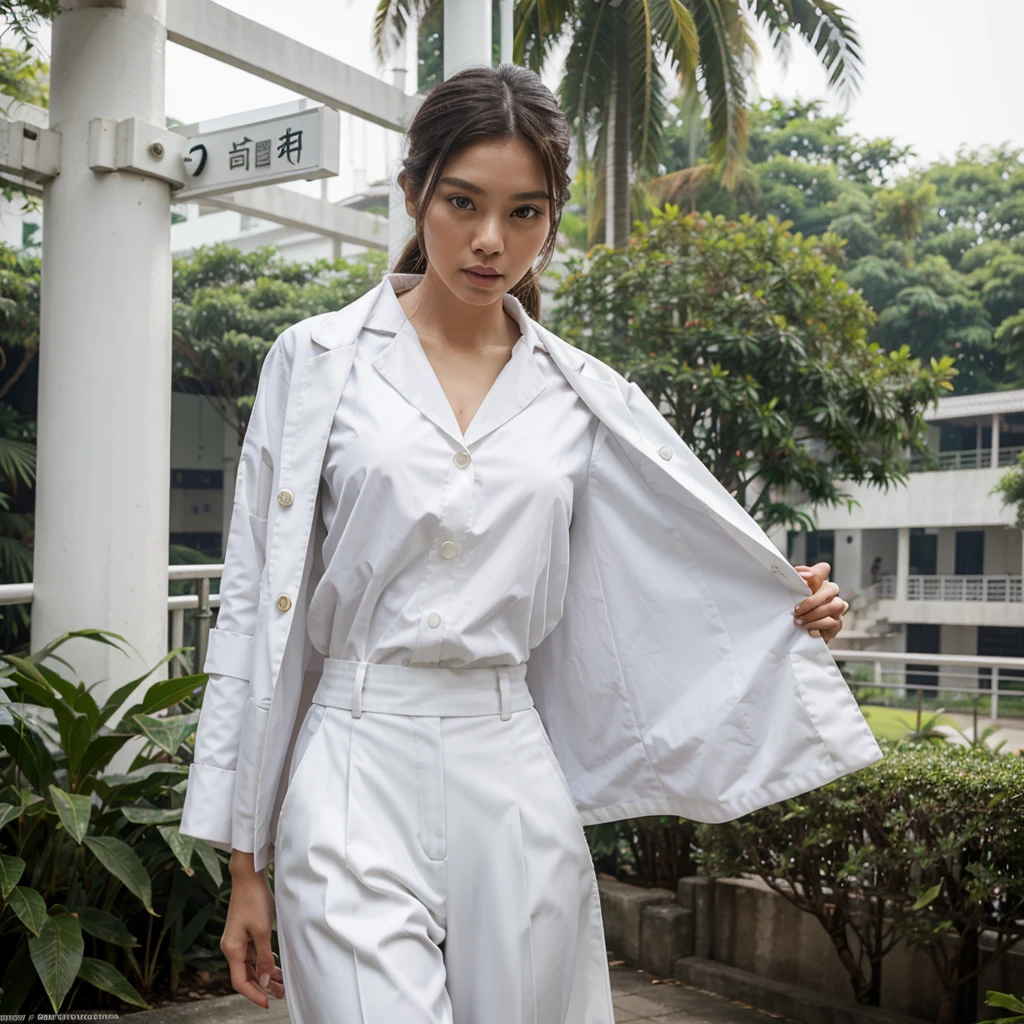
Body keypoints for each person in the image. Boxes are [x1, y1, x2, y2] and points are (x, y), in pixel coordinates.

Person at [180, 64, 865, 1023]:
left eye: (527, 213)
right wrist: (244, 864)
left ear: (552, 220)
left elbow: (661, 570)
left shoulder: (580, 395)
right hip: (350, 762)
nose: (492, 240)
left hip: (511, 767)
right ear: (414, 191)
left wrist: (784, 605)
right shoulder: (317, 361)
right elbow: (255, 604)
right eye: (462, 202)